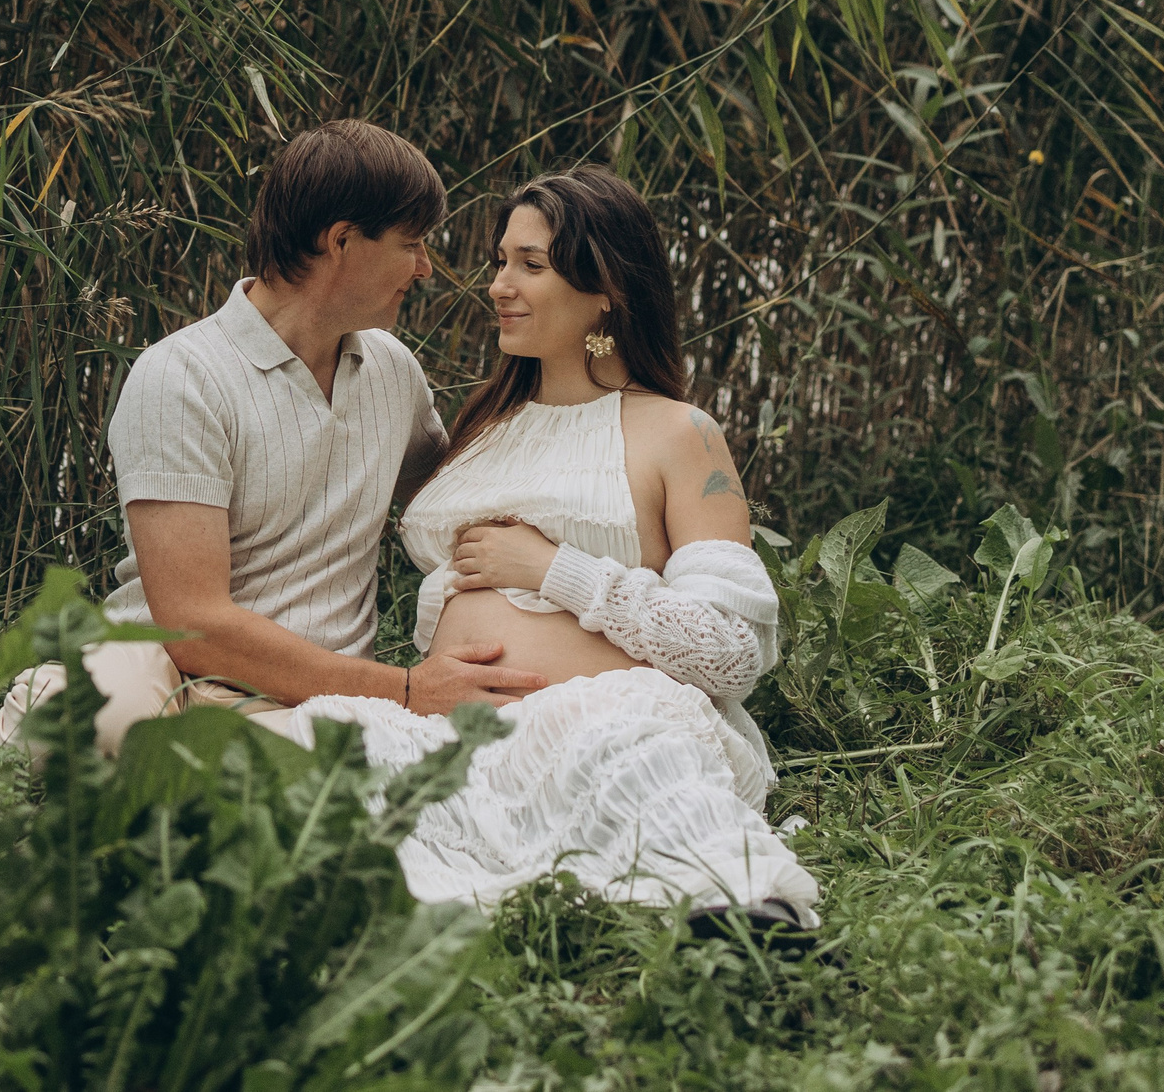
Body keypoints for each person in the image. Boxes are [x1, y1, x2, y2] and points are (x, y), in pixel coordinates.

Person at [292, 166, 820, 927]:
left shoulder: (678, 433)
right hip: (458, 720)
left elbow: (732, 652)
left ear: (604, 285)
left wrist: (554, 569)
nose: (500, 284)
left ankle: (743, 915)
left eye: (530, 265)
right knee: (326, 750)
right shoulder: (481, 428)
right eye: (502, 260)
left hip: (615, 714)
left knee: (621, 754)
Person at [0, 120, 550, 756]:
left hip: (317, 692)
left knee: (344, 775)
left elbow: (458, 509)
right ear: (342, 240)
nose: (424, 268)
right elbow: (190, 622)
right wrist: (404, 689)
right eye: (412, 244)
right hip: (163, 666)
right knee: (84, 721)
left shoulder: (394, 371)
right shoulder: (181, 377)